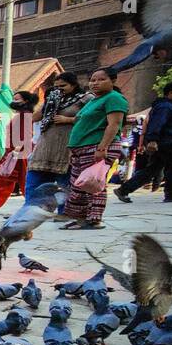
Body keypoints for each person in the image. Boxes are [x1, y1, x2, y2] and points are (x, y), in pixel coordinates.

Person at [61, 66, 129, 231]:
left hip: (97, 146)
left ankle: (93, 219)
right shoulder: (93, 100)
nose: (95, 83)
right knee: (78, 184)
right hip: (81, 147)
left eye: (101, 79)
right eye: (92, 80)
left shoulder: (114, 98)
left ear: (112, 81)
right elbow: (80, 121)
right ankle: (80, 218)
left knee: (93, 183)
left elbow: (114, 125)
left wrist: (102, 147)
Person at [115, 80, 172, 203]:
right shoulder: (165, 106)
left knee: (153, 169)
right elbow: (156, 124)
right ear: (171, 92)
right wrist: (152, 140)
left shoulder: (170, 106)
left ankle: (124, 189)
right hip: (167, 143)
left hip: (167, 142)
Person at [25, 72, 85, 203]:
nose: (59, 89)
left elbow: (92, 119)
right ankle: (29, 214)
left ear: (74, 84)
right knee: (33, 187)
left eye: (63, 86)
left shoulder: (85, 99)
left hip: (65, 150)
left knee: (63, 187)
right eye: (56, 86)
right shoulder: (53, 98)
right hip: (44, 149)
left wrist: (69, 119)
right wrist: (47, 103)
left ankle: (62, 214)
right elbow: (35, 117)